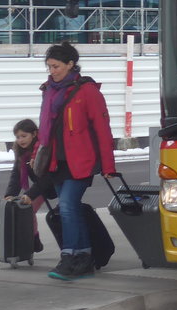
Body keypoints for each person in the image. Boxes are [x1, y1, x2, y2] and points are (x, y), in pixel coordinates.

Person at [37, 42, 117, 281]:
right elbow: (46, 129)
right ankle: (82, 258)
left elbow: (102, 129)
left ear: (71, 64)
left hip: (81, 161)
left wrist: (108, 165)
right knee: (68, 209)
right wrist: (37, 156)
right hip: (57, 161)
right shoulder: (49, 90)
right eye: (49, 67)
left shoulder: (87, 91)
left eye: (56, 66)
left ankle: (70, 257)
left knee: (68, 206)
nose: (52, 71)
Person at [2, 117, 53, 253]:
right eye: (18, 137)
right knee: (28, 209)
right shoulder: (21, 152)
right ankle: (34, 239)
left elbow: (47, 177)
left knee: (65, 211)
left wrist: (30, 194)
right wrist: (10, 194)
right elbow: (16, 174)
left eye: (24, 136)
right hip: (41, 185)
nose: (20, 140)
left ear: (34, 134)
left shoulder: (43, 148)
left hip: (54, 182)